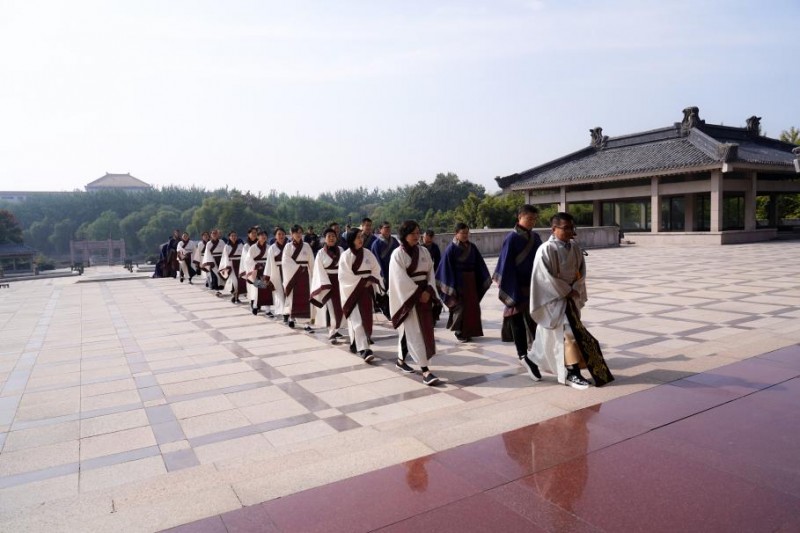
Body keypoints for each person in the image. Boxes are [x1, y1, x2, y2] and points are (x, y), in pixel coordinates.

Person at [528, 212, 614, 389]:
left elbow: (581, 271)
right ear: (554, 229)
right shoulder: (546, 249)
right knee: (569, 334)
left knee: (556, 337)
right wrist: (566, 290)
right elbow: (543, 277)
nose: (569, 232)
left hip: (571, 298)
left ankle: (534, 360)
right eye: (565, 228)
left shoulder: (574, 247)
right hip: (553, 299)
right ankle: (572, 373)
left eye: (571, 228)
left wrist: (576, 288)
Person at [493, 204, 543, 379]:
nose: (532, 222)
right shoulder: (511, 238)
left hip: (534, 287)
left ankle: (535, 352)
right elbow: (506, 265)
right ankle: (522, 354)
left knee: (536, 321)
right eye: (529, 218)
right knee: (516, 317)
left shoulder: (536, 237)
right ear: (519, 217)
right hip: (516, 286)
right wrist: (512, 290)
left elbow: (542, 262)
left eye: (534, 219)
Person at [389, 220, 441, 386]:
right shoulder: (397, 254)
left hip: (424, 297)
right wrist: (418, 294)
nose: (416, 236)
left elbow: (431, 273)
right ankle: (425, 370)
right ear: (404, 235)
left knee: (419, 331)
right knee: (414, 333)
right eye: (412, 233)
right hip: (409, 298)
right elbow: (399, 279)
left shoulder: (424, 251)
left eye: (418, 232)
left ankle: (400, 359)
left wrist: (429, 291)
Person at [436, 223, 491, 342]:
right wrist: (451, 286)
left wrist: (483, 278)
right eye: (463, 233)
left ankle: (470, 331)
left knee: (472, 307)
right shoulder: (451, 248)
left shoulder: (472, 247)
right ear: (456, 234)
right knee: (460, 307)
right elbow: (445, 268)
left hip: (471, 281)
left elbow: (479, 264)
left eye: (467, 233)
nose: (466, 235)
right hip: (458, 282)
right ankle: (459, 331)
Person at [338, 228, 383, 362]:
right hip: (352, 291)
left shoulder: (368, 253)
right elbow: (344, 276)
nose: (360, 239)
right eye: (357, 237)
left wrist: (371, 280)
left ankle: (354, 344)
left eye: (361, 237)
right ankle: (364, 349)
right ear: (351, 239)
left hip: (366, 290)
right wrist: (362, 282)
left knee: (365, 318)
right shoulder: (346, 256)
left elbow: (376, 269)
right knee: (356, 320)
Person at [311, 228, 345, 341]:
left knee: (341, 307)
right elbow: (318, 270)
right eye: (329, 236)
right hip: (328, 283)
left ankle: (336, 329)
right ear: (324, 239)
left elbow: (346, 266)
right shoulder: (320, 253)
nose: (331, 238)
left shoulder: (341, 250)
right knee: (331, 308)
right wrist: (325, 284)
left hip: (340, 281)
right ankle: (332, 331)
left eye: (333, 236)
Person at [281, 225, 315, 330]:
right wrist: (298, 269)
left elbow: (311, 261)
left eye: (301, 232)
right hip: (293, 276)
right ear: (292, 234)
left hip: (305, 275)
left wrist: (313, 275)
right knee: (292, 297)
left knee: (306, 298)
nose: (299, 235)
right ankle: (291, 317)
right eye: (297, 233)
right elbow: (285, 262)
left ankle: (306, 323)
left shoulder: (306, 246)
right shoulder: (288, 247)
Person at [243, 229, 274, 316]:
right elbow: (248, 260)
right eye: (261, 235)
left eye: (265, 235)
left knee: (267, 289)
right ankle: (256, 306)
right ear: (258, 237)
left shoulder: (269, 247)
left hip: (266, 270)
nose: (263, 237)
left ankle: (268, 310)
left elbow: (271, 259)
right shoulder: (253, 248)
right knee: (258, 289)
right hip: (256, 271)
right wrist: (256, 265)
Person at [265, 227, 288, 321]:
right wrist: (267, 276)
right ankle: (284, 314)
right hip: (277, 271)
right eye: (279, 234)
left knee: (289, 292)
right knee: (280, 293)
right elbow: (269, 262)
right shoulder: (272, 248)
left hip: (288, 271)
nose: (281, 236)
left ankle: (290, 312)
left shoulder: (289, 246)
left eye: (283, 234)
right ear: (275, 236)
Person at [421, 229, 443, 323]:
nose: (426, 240)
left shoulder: (435, 247)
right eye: (425, 238)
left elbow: (438, 262)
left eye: (429, 238)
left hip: (433, 274)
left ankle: (434, 316)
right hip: (421, 275)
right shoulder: (419, 247)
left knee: (434, 296)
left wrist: (435, 274)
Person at [370, 221, 399, 290]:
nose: (388, 229)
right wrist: (382, 275)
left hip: (395, 270)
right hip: (383, 272)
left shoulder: (394, 241)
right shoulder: (376, 244)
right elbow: (377, 261)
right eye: (386, 227)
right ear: (380, 229)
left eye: (389, 227)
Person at [219, 230, 245, 303]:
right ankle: (235, 296)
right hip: (231, 265)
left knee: (240, 281)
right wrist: (227, 266)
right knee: (234, 282)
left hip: (240, 264)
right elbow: (225, 257)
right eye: (232, 236)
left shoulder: (241, 245)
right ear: (229, 237)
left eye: (235, 236)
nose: (234, 237)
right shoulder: (227, 246)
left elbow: (244, 256)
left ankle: (236, 297)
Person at [202, 228, 225, 295]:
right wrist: (209, 262)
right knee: (214, 275)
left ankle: (220, 287)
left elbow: (225, 252)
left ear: (218, 234)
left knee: (221, 274)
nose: (214, 234)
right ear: (210, 235)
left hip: (221, 259)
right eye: (213, 233)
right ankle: (216, 290)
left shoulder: (222, 242)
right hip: (212, 260)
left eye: (215, 233)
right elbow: (207, 253)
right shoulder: (208, 243)